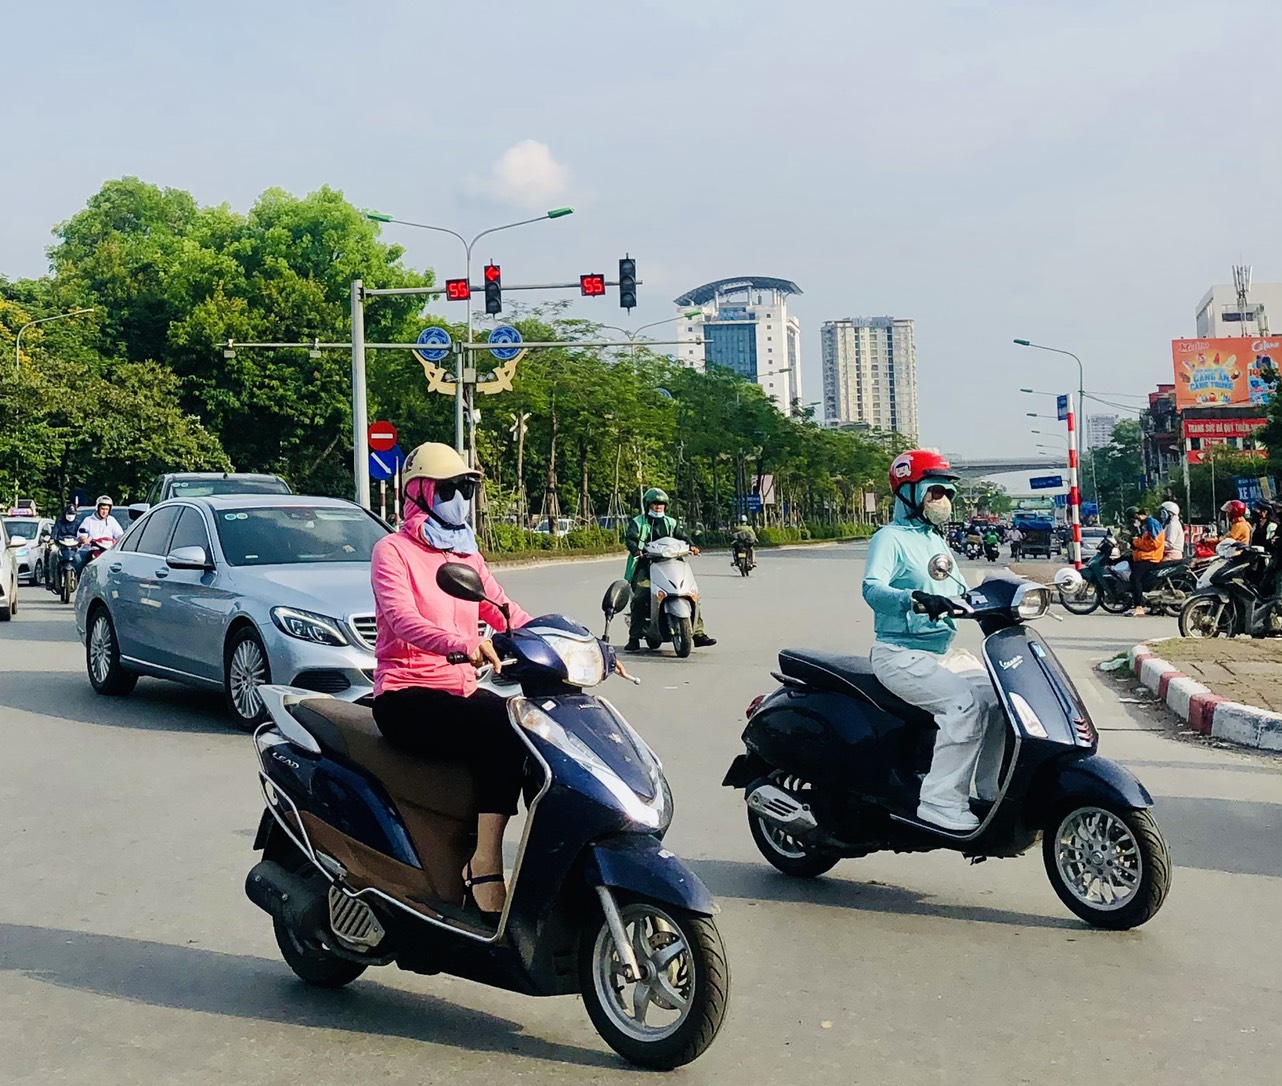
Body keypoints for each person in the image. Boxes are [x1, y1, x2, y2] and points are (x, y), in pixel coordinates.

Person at [369, 441, 534, 923]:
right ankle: (485, 863)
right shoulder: (393, 552)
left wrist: (567, 640)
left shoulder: (465, 555)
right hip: (405, 693)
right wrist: (461, 643)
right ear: (419, 492)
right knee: (499, 727)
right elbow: (402, 619)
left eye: (465, 489)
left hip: (458, 690)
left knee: (531, 728)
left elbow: (504, 609)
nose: (460, 499)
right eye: (448, 489)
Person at [862, 449, 1005, 832]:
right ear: (909, 492)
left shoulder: (935, 541)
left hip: (943, 653)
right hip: (899, 654)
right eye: (934, 492)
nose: (942, 501)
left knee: (1001, 702)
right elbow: (871, 588)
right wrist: (912, 599)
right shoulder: (890, 538)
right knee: (965, 707)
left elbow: (958, 590)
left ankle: (990, 791)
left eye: (945, 494)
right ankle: (940, 802)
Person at [623, 487, 716, 651]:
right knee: (640, 596)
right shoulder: (638, 522)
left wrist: (692, 546)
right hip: (647, 565)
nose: (658, 507)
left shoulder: (670, 522)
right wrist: (636, 550)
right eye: (655, 503)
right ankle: (634, 637)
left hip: (672, 563)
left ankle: (698, 633)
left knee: (691, 593)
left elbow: (683, 537)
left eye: (661, 504)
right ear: (648, 505)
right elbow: (631, 539)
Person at [1127, 506, 1165, 616]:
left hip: (1150, 558)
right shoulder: (1147, 524)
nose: (1133, 522)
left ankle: (1139, 606)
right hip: (1145, 556)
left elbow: (1155, 543)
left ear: (1136, 516)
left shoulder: (1151, 523)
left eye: (1133, 519)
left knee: (1135, 578)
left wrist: (1136, 542)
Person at [75, 495, 123, 576]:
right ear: (97, 508)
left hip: (108, 549)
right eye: (102, 509)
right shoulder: (88, 520)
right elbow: (81, 534)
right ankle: (80, 579)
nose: (104, 512)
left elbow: (119, 535)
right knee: (78, 558)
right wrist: (84, 540)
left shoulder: (112, 520)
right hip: (91, 548)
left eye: (107, 509)